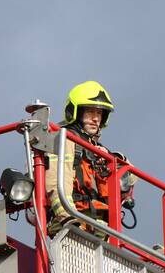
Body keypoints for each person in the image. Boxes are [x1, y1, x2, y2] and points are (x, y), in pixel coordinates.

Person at [45, 81, 136, 237]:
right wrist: (66, 216)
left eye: (99, 113)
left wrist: (117, 159)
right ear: (76, 112)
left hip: (100, 225)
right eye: (90, 112)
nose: (96, 118)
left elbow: (131, 177)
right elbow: (55, 180)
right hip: (71, 223)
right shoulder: (64, 140)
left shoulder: (99, 150)